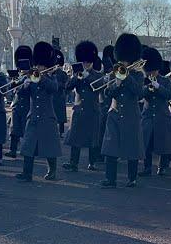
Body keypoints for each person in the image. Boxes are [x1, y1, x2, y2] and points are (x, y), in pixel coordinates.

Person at [100, 33, 145, 188]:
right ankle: (110, 179)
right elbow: (107, 93)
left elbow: (139, 92)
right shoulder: (113, 73)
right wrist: (116, 84)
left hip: (131, 114)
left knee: (132, 148)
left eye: (125, 60)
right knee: (110, 147)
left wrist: (127, 78)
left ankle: (132, 178)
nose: (122, 63)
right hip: (114, 112)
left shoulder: (138, 74)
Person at [15, 41, 62, 182]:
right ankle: (26, 173)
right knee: (28, 146)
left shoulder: (50, 77)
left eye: (40, 66)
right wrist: (25, 83)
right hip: (33, 117)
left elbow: (54, 88)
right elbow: (20, 93)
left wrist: (40, 78)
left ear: (46, 66)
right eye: (37, 65)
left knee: (49, 147)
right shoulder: (30, 78)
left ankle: (52, 171)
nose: (38, 67)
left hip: (47, 117)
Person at [63, 41, 103, 172]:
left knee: (93, 138)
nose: (86, 64)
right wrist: (77, 78)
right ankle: (73, 162)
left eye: (88, 62)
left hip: (92, 109)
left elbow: (98, 88)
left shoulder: (97, 75)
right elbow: (67, 87)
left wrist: (87, 77)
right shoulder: (77, 74)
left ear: (92, 61)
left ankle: (92, 163)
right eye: (84, 62)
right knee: (76, 138)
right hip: (79, 109)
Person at [138, 46, 171, 177]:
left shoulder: (165, 80)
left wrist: (158, 87)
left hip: (162, 115)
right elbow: (140, 95)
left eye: (153, 71)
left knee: (163, 144)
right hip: (148, 115)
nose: (151, 74)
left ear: (157, 69)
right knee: (146, 144)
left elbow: (169, 94)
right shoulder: (144, 81)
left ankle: (162, 166)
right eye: (149, 72)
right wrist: (147, 88)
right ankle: (147, 167)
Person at [4, 45, 32, 159]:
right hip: (16, 105)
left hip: (26, 105)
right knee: (14, 129)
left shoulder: (31, 76)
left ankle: (27, 151)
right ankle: (13, 150)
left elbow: (26, 91)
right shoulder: (19, 76)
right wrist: (13, 81)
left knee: (26, 131)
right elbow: (11, 88)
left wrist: (24, 84)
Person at [52, 49, 69, 138]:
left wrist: (59, 84)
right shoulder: (51, 73)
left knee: (61, 116)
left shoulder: (63, 74)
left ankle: (61, 131)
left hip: (60, 96)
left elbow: (66, 84)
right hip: (52, 97)